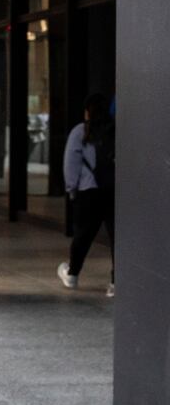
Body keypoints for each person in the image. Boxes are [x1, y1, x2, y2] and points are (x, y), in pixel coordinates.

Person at [58, 92, 116, 297]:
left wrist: (71, 189)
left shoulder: (80, 131)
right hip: (112, 191)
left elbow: (71, 164)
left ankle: (72, 274)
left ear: (87, 111)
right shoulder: (116, 131)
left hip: (88, 192)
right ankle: (115, 283)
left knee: (82, 235)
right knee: (116, 238)